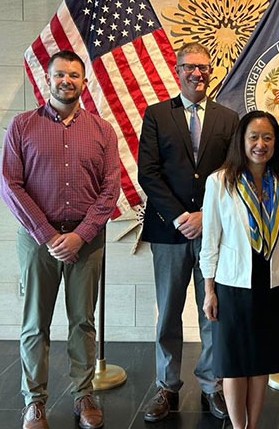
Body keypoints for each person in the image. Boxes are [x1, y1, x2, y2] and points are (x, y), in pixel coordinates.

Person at [1, 50, 120, 429]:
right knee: (35, 323)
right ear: (47, 78)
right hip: (38, 239)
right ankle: (34, 402)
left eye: (73, 75)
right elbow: (10, 184)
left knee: (83, 321)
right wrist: (49, 235)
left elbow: (111, 189)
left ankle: (83, 395)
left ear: (84, 82)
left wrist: (80, 235)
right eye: (59, 74)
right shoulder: (22, 126)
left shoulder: (102, 131)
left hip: (87, 240)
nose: (66, 80)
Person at [138, 42, 238, 422]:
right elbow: (148, 173)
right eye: (190, 67)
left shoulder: (228, 119)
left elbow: (232, 174)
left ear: (211, 72)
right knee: (168, 312)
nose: (197, 73)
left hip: (214, 234)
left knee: (213, 310)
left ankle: (212, 385)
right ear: (177, 70)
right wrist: (181, 215)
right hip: (169, 232)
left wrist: (205, 217)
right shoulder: (156, 115)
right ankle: (167, 386)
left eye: (204, 67)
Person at [200, 110, 279, 429]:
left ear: (276, 143)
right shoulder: (220, 182)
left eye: (268, 138)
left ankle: (252, 426)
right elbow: (210, 240)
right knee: (234, 364)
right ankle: (238, 426)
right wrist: (209, 290)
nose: (261, 144)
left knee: (260, 364)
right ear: (241, 141)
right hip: (233, 284)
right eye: (254, 137)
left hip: (273, 284)